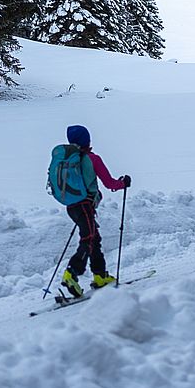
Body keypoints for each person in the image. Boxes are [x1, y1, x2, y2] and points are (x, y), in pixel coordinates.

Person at [58, 124, 130, 299]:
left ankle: (100, 276)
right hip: (85, 205)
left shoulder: (67, 161)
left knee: (93, 239)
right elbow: (110, 183)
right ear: (87, 140)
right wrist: (124, 183)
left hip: (72, 206)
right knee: (89, 239)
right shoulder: (92, 159)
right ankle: (71, 273)